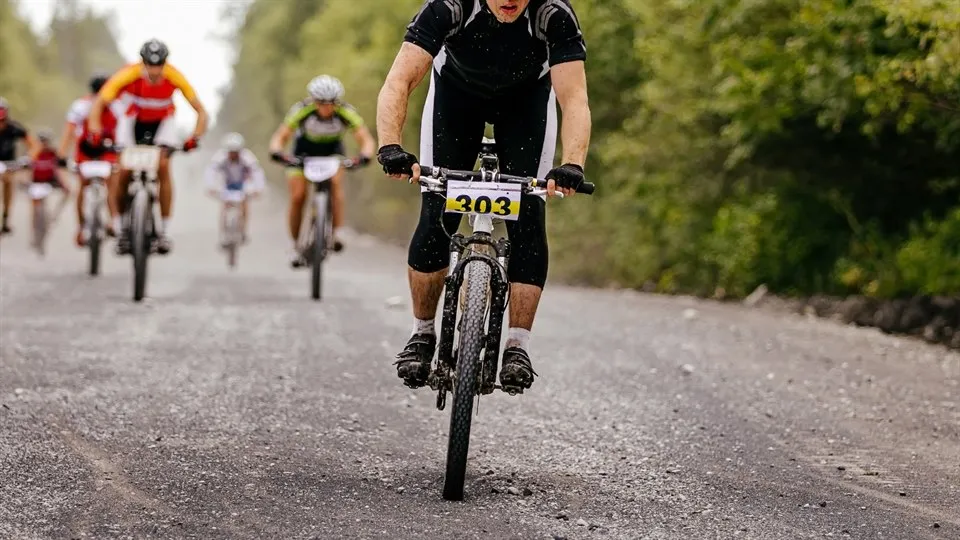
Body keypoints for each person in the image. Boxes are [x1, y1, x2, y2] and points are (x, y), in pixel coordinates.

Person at [375, 0, 591, 392]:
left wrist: (572, 163)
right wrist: (390, 147)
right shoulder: (449, 7)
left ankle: (517, 346)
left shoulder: (552, 14)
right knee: (436, 211)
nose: (510, 1)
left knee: (528, 216)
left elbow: (573, 97)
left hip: (526, 104)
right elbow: (399, 81)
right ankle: (422, 334)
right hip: (456, 99)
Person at [86, 38, 208, 256]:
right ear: (141, 62)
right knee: (123, 170)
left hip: (163, 122)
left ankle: (165, 232)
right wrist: (95, 132)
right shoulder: (128, 74)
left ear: (165, 63)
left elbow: (201, 111)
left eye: (159, 64)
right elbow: (98, 105)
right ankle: (121, 226)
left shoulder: (174, 75)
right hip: (133, 121)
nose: (154, 70)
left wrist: (194, 137)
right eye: (149, 64)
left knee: (163, 166)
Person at [268, 74, 376, 267]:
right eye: (321, 102)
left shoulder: (346, 111)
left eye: (331, 103)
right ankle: (295, 244)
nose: (326, 107)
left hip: (331, 155)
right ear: (313, 100)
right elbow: (281, 135)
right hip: (302, 154)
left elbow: (365, 139)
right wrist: (277, 151)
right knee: (298, 196)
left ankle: (336, 232)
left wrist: (365, 156)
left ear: (337, 101)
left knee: (335, 184)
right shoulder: (302, 110)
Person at [58, 72, 124, 246]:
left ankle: (86, 227)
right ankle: (112, 222)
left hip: (104, 149)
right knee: (111, 186)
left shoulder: (84, 105)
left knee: (86, 186)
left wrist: (62, 155)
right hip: (90, 150)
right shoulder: (84, 106)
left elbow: (68, 132)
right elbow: (70, 130)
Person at [204, 132, 265, 246]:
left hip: (243, 184)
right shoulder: (220, 157)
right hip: (227, 183)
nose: (233, 155)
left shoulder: (247, 157)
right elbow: (211, 171)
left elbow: (257, 172)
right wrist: (210, 186)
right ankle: (223, 234)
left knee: (244, 204)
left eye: (235, 152)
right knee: (225, 206)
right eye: (231, 152)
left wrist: (258, 188)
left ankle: (243, 231)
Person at [0, 97, 42, 235]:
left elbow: (34, 145)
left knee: (8, 182)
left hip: (9, 164)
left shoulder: (14, 128)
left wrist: (28, 158)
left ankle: (6, 217)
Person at [29, 129, 72, 245]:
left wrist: (64, 183)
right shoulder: (33, 153)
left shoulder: (53, 153)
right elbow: (26, 169)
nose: (44, 144)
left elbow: (60, 169)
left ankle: (54, 215)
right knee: (34, 204)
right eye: (42, 141)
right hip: (36, 181)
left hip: (50, 180)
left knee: (68, 192)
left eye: (46, 141)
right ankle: (34, 228)